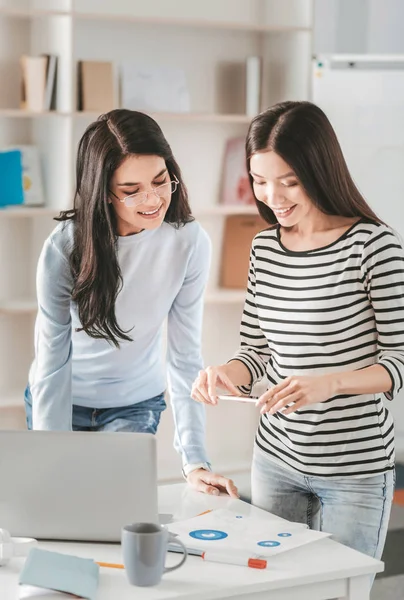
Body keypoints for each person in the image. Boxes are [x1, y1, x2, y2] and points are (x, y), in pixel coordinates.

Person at [191, 100, 404, 563]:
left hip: (355, 470)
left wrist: (331, 383)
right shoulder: (265, 248)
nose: (273, 196)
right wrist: (226, 372)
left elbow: (399, 360)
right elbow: (257, 350)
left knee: (338, 592)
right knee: (271, 590)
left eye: (289, 181)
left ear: (320, 170)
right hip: (275, 461)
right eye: (261, 181)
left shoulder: (374, 246)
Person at [25, 109, 238, 498]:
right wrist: (50, 455)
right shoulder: (65, 247)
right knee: (60, 509)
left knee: (115, 512)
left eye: (160, 181)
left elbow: (184, 356)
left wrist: (195, 460)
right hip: (61, 400)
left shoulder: (189, 242)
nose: (152, 198)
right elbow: (52, 361)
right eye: (131, 189)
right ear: (105, 190)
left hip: (134, 404)